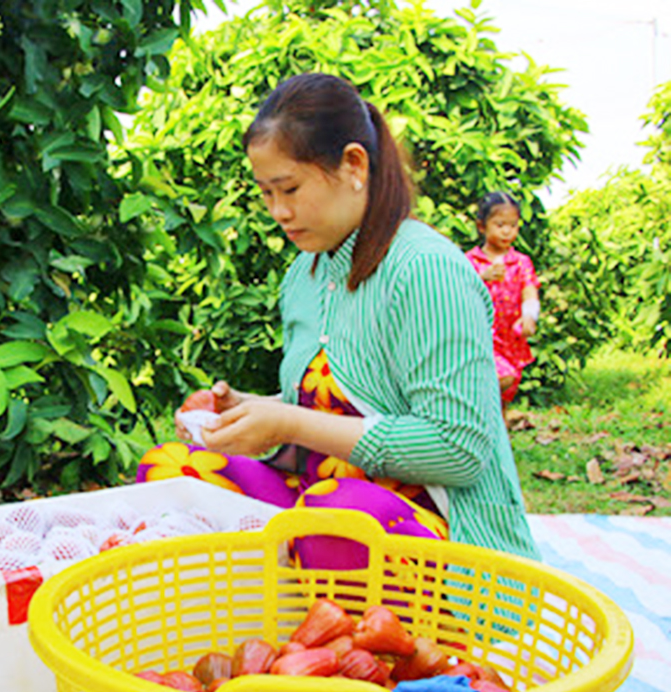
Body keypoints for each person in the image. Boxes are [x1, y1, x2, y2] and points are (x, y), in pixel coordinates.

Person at [136, 72, 538, 562]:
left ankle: (309, 584)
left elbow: (458, 449)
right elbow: (333, 411)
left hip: (433, 531)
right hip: (316, 503)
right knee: (172, 470)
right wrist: (247, 414)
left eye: (289, 189)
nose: (279, 212)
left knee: (336, 516)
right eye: (267, 194)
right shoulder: (304, 276)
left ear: (353, 164)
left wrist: (288, 422)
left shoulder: (425, 269)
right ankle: (287, 589)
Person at [465, 192, 541, 405]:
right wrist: (482, 277)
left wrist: (529, 316)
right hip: (482, 336)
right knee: (501, 377)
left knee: (507, 391)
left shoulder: (520, 262)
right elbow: (458, 292)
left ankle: (499, 424)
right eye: (500, 225)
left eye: (513, 225)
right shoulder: (471, 261)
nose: (507, 231)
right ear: (482, 226)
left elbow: (529, 289)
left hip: (511, 338)